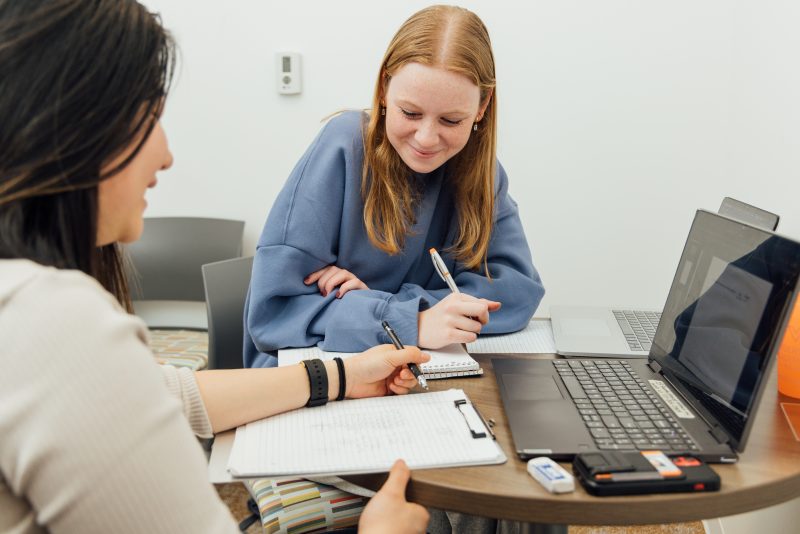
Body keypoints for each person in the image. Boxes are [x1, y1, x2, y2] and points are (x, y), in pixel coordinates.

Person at [0, 1, 430, 533]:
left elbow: (166, 394)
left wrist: (341, 375)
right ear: (75, 130)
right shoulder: (53, 320)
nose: (166, 156)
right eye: (149, 119)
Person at [245, 4, 545, 368]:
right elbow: (274, 313)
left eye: (451, 120)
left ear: (482, 107)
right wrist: (410, 321)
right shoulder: (343, 146)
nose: (427, 138)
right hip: (311, 372)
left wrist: (383, 305)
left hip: (417, 369)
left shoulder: (482, 173)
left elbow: (518, 290)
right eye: (411, 113)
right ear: (385, 88)